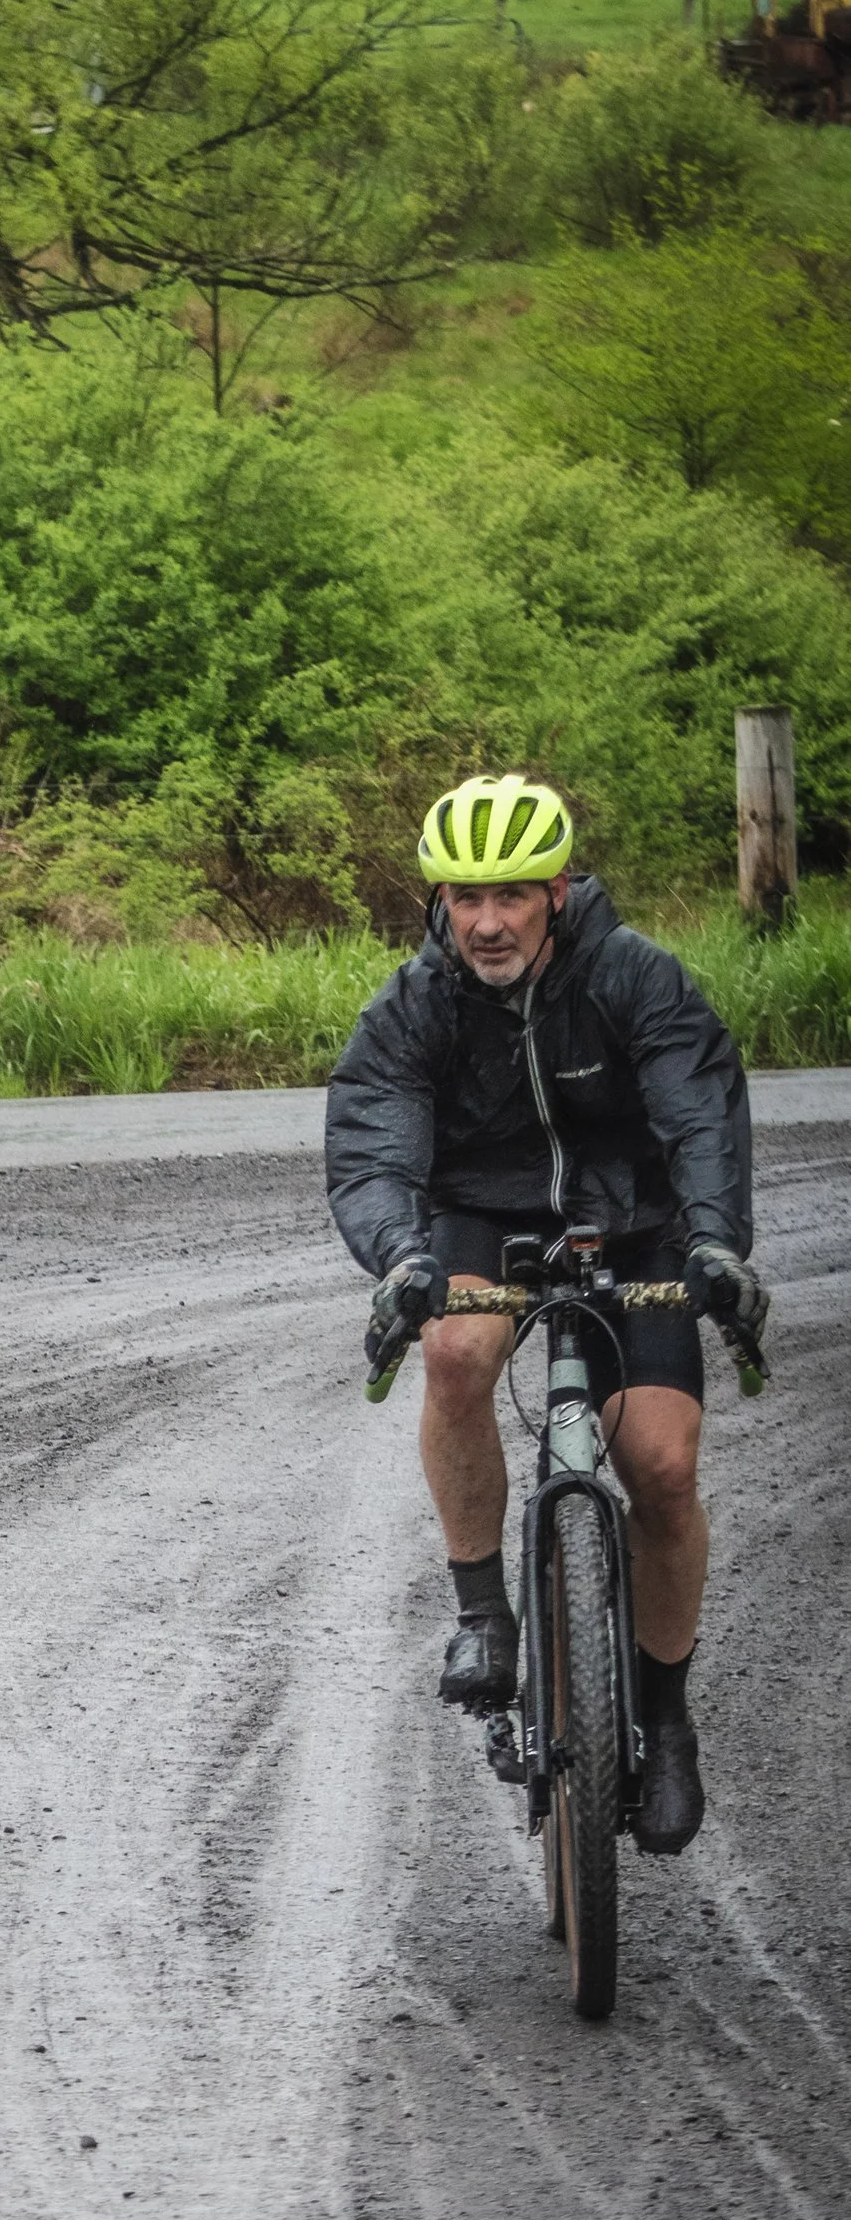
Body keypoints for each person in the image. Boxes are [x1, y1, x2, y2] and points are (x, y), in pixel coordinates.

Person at [325, 772, 764, 1856]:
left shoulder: (634, 977)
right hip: (480, 1218)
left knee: (659, 1466)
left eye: (511, 895)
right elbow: (375, 1147)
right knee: (456, 1350)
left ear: (556, 890)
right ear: (437, 899)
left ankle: (662, 1721)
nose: (484, 922)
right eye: (463, 896)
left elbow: (697, 1111)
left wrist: (712, 1241)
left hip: (637, 1222)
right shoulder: (411, 1005)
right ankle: (484, 1616)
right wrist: (399, 1263)